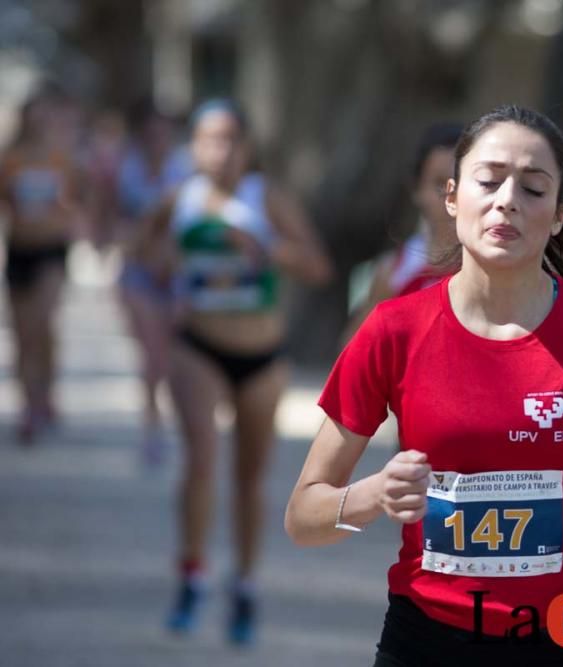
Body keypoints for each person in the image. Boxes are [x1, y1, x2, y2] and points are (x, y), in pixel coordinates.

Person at [285, 105, 563, 666]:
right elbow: (304, 516)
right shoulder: (394, 330)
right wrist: (373, 494)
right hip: (425, 641)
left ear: (559, 214)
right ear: (452, 198)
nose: (507, 201)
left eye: (533, 188)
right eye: (489, 180)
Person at [134, 98, 332, 645]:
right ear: (193, 146)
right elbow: (141, 254)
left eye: (228, 139)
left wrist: (268, 247)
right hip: (198, 346)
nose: (218, 150)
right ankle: (192, 575)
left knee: (250, 478)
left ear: (246, 147)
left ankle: (244, 584)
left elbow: (318, 266)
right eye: (207, 138)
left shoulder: (266, 199)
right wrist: (165, 261)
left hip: (262, 355)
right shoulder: (180, 198)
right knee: (201, 460)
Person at [0, 84, 86, 443]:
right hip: (19, 250)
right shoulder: (10, 159)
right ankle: (28, 405)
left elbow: (80, 201)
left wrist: (66, 213)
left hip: (51, 250)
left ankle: (44, 394)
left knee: (41, 324)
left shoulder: (61, 158)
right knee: (22, 335)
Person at [114, 99, 192, 467]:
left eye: (164, 132)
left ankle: (172, 422)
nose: (157, 138)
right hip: (137, 273)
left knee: (173, 357)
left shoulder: (186, 172)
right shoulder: (125, 171)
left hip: (177, 276)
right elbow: (110, 218)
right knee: (152, 354)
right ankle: (152, 424)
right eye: (151, 132)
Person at [342, 122, 463, 346]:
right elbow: (355, 349)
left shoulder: (495, 269)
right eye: (439, 184)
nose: (450, 197)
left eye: (461, 183)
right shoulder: (393, 271)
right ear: (417, 190)